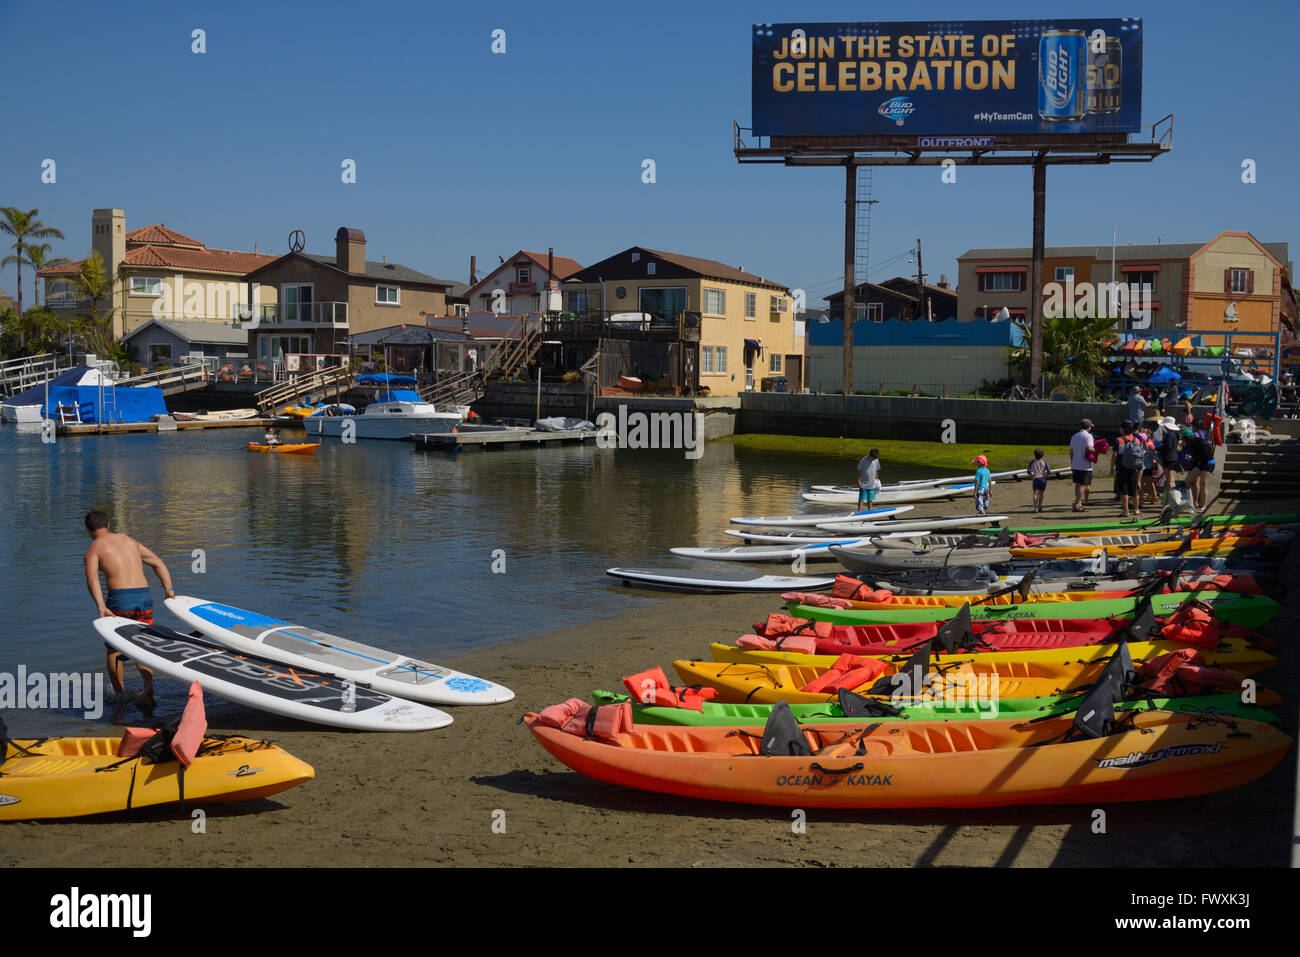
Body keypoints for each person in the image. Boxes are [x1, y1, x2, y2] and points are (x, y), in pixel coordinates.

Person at [83, 511, 175, 707]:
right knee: (142, 646)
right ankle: (148, 688)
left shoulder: (93, 549)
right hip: (143, 597)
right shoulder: (129, 541)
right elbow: (157, 562)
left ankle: (120, 696)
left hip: (120, 599)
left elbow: (92, 579)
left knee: (114, 651)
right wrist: (168, 590)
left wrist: (101, 607)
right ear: (108, 524)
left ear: (88, 529)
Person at [1110, 420, 1145, 518]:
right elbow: (1141, 455)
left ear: (1123, 429)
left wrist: (1111, 467)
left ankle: (1126, 511)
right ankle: (1136, 510)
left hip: (1122, 468)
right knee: (1134, 491)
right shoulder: (1137, 440)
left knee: (1123, 491)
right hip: (1134, 468)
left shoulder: (1119, 440)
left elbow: (1115, 455)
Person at [1183, 427, 1215, 511]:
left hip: (1208, 463)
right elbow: (1196, 456)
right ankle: (1194, 502)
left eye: (1185, 439)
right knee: (1188, 481)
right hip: (1200, 463)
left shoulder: (1201, 442)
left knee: (1203, 484)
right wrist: (1193, 459)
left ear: (1190, 437)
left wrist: (1196, 459)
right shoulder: (1190, 444)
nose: (1184, 441)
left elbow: (1209, 455)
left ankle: (1204, 505)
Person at [1069, 418, 1095, 512]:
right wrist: (1098, 450)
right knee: (1083, 484)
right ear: (1088, 427)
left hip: (1076, 464)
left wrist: (1072, 462)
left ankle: (1078, 502)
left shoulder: (1074, 436)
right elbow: (1089, 448)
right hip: (1085, 464)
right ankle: (1078, 503)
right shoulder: (1088, 436)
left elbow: (1071, 451)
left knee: (1077, 484)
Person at [1027, 449, 1050, 513]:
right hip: (1042, 478)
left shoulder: (1032, 462)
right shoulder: (1044, 462)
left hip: (1035, 478)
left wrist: (1031, 476)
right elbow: (1049, 471)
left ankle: (1035, 508)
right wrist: (1046, 475)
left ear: (1034, 455)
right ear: (1043, 455)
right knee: (1041, 493)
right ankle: (1039, 506)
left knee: (1035, 494)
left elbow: (1028, 471)